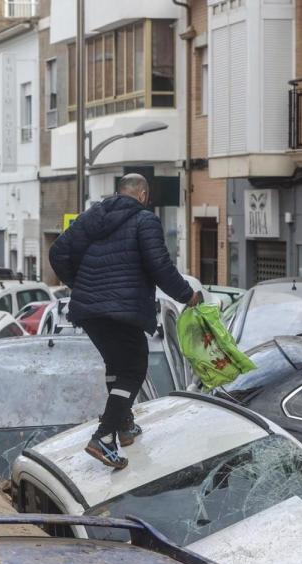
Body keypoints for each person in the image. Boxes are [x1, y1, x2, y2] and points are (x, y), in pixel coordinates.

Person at [50, 173, 201, 470]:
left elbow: (57, 252)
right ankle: (104, 437)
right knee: (133, 369)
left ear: (118, 192)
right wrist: (187, 295)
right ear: (142, 195)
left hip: (89, 310)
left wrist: (78, 284)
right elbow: (160, 265)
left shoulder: (92, 217)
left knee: (117, 366)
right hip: (123, 310)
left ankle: (124, 425)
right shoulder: (146, 221)